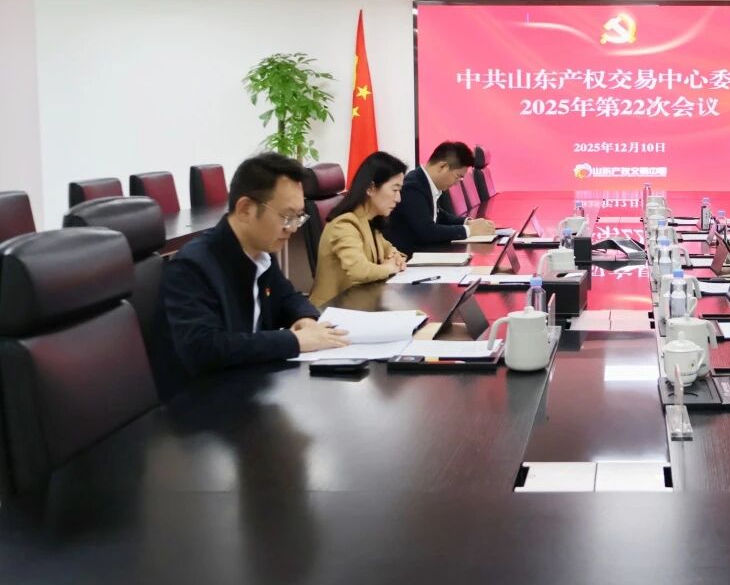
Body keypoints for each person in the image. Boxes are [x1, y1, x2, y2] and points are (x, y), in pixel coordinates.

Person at [153, 153, 349, 398]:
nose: (292, 228)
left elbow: (287, 296)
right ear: (245, 209)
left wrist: (305, 318)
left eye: (298, 217)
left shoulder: (260, 252)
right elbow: (204, 348)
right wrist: (294, 341)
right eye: (286, 216)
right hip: (202, 402)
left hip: (249, 385)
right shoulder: (192, 267)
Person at [309, 151, 410, 306]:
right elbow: (359, 270)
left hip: (359, 304)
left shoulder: (369, 220)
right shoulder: (344, 225)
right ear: (371, 188)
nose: (398, 199)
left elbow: (388, 248)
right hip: (332, 310)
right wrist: (390, 268)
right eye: (394, 190)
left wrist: (395, 256)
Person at [384, 141, 497, 252]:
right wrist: (469, 230)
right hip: (410, 257)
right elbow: (427, 231)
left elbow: (439, 216)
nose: (457, 183)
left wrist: (468, 222)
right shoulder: (413, 187)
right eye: (458, 176)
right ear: (442, 166)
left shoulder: (424, 181)